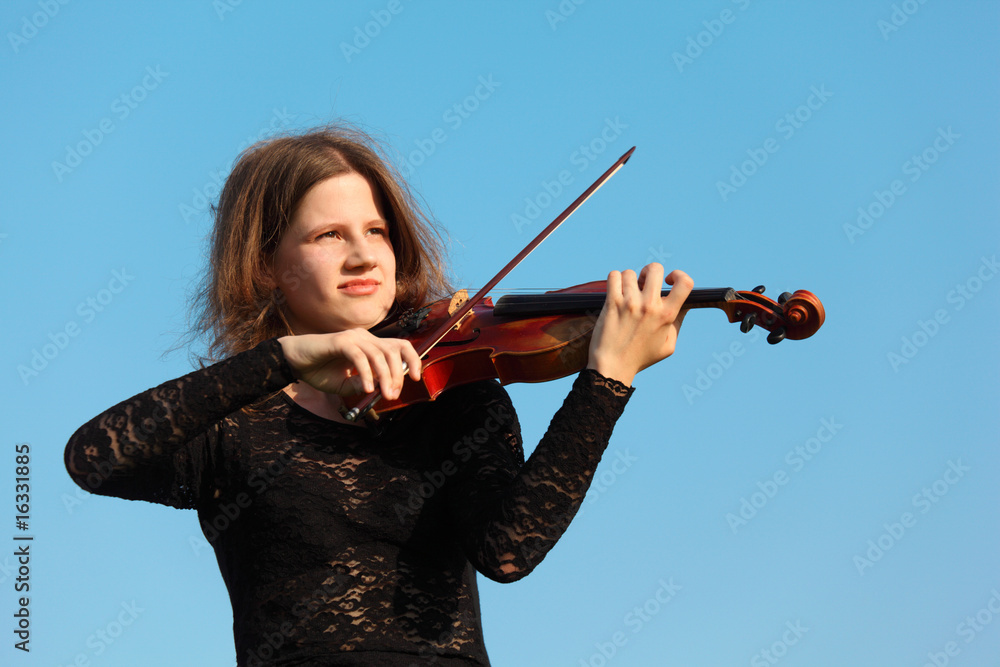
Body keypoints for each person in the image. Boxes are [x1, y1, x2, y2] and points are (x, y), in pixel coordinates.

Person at [64, 125, 693, 666]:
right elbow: (92, 458)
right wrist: (282, 359)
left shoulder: (457, 396)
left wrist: (608, 379)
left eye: (377, 230)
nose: (365, 256)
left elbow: (508, 550)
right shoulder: (235, 423)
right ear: (265, 265)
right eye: (328, 236)